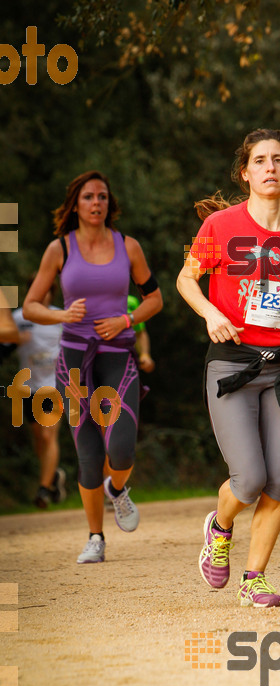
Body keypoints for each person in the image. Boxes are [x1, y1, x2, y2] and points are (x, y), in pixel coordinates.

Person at [177, 128, 280, 608]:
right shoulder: (220, 228)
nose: (270, 167)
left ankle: (255, 577)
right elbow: (187, 280)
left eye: (278, 160)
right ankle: (220, 527)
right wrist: (211, 312)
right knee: (248, 479)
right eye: (260, 160)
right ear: (245, 173)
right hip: (232, 365)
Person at [23, 170, 163, 563]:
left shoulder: (128, 246)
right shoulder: (59, 250)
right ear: (76, 204)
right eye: (88, 197)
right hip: (74, 361)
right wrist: (63, 315)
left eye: (102, 196)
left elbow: (154, 299)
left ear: (109, 203)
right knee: (86, 452)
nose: (96, 203)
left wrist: (127, 320)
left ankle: (117, 490)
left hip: (118, 356)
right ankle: (95, 537)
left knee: (120, 449)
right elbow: (32, 305)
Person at [11, 278, 66, 508]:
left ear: (52, 293)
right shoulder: (18, 318)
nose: (43, 295)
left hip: (55, 385)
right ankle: (54, 476)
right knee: (39, 441)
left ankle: (43, 490)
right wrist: (14, 340)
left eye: (47, 291)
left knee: (48, 436)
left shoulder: (61, 317)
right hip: (28, 387)